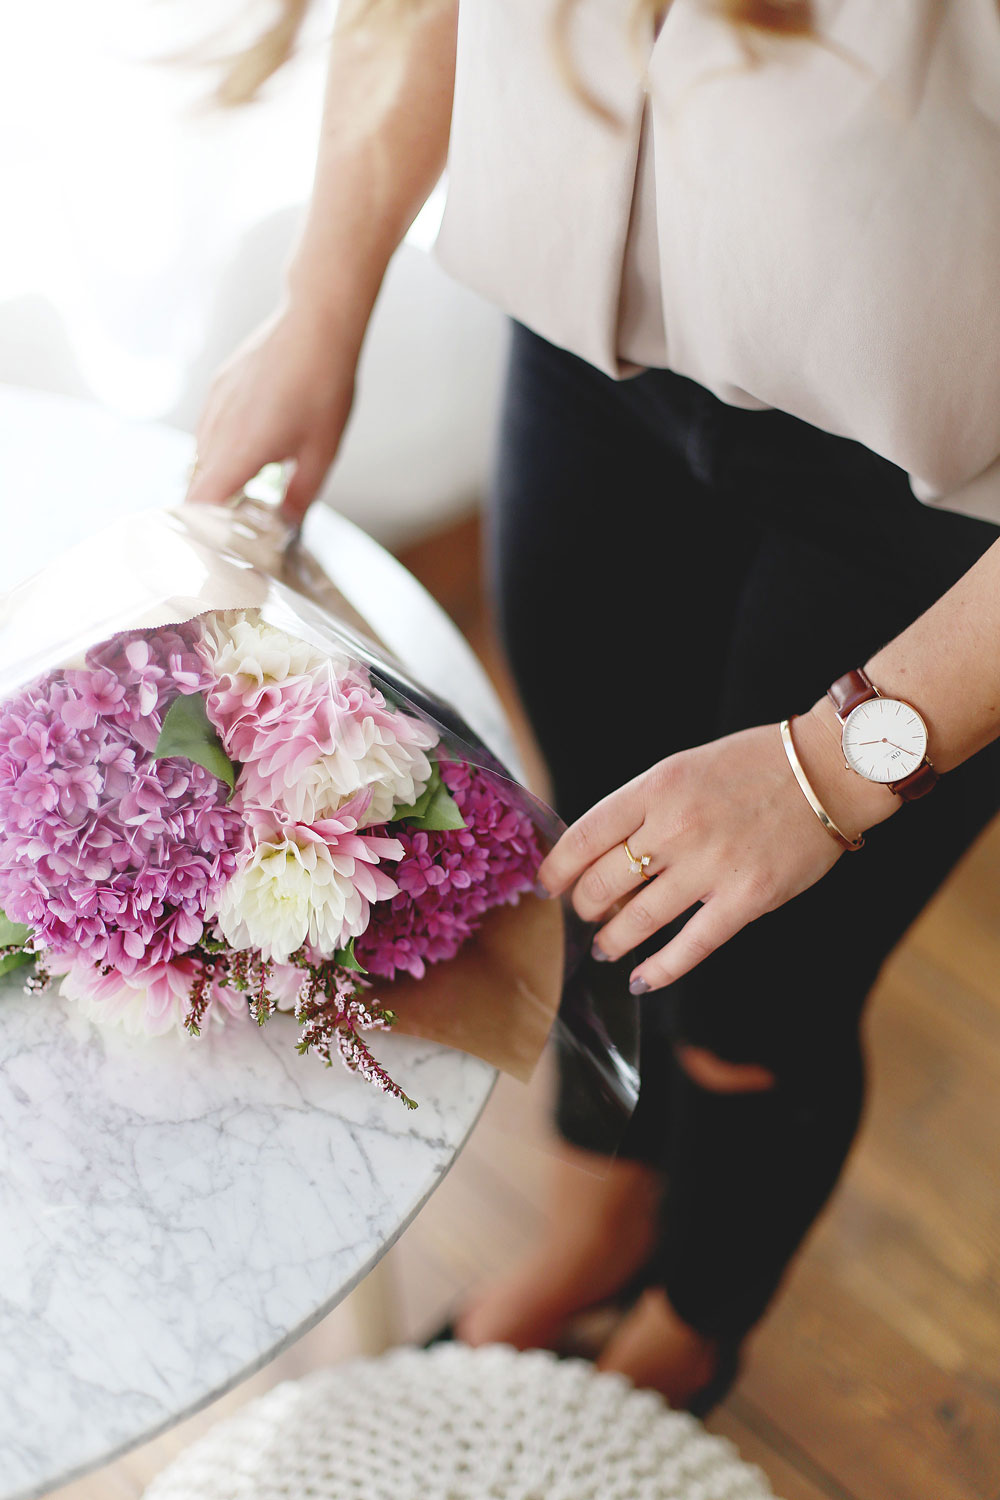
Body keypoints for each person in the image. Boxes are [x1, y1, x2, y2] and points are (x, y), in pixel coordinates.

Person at [186, 0, 1000, 1412]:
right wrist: (324, 294)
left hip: (936, 506)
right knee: (592, 871)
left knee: (759, 991)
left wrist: (831, 766)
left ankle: (698, 1313)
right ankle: (597, 1218)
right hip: (592, 371)